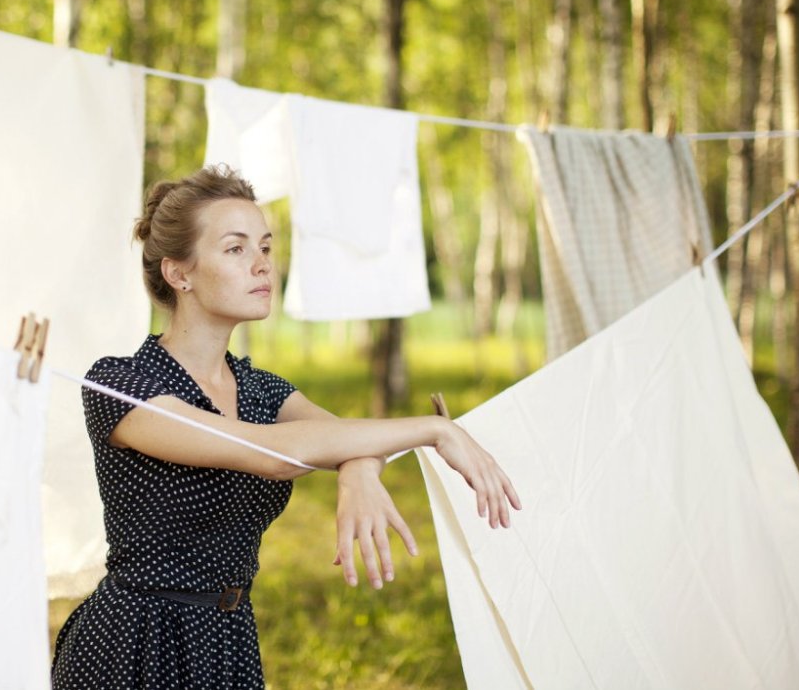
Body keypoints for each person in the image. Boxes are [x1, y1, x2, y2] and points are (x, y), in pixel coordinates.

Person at [50, 165, 520, 689]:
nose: (262, 266)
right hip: (137, 643)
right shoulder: (122, 385)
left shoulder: (261, 389)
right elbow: (270, 451)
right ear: (179, 274)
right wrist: (436, 431)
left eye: (266, 248)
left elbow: (342, 435)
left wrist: (358, 473)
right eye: (235, 249)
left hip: (228, 637)